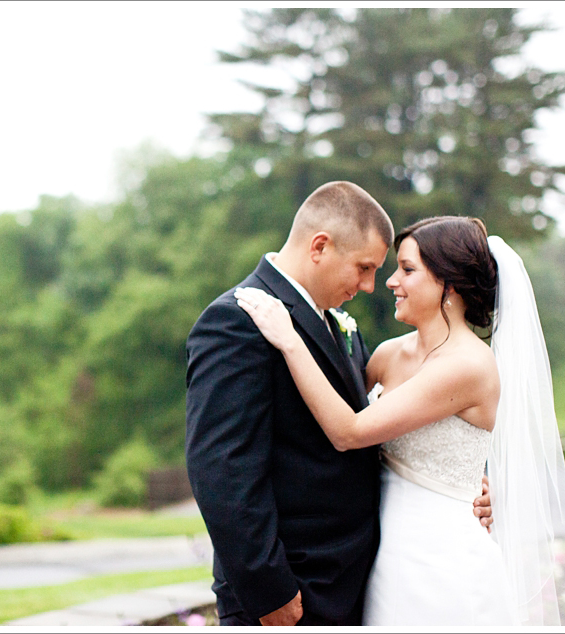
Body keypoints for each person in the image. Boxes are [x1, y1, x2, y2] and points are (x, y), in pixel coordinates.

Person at [234, 215, 565, 625]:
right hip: (381, 552)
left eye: (408, 269)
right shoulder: (387, 354)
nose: (391, 281)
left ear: (448, 286)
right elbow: (326, 416)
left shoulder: (468, 365)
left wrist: (290, 340)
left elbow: (350, 431)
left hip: (440, 558)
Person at [184, 183, 492, 627]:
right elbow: (221, 469)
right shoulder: (237, 321)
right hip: (290, 591)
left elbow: (386, 428)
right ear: (320, 247)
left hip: (359, 581)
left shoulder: (340, 325)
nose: (370, 286)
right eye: (364, 267)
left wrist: (463, 478)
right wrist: (269, 589)